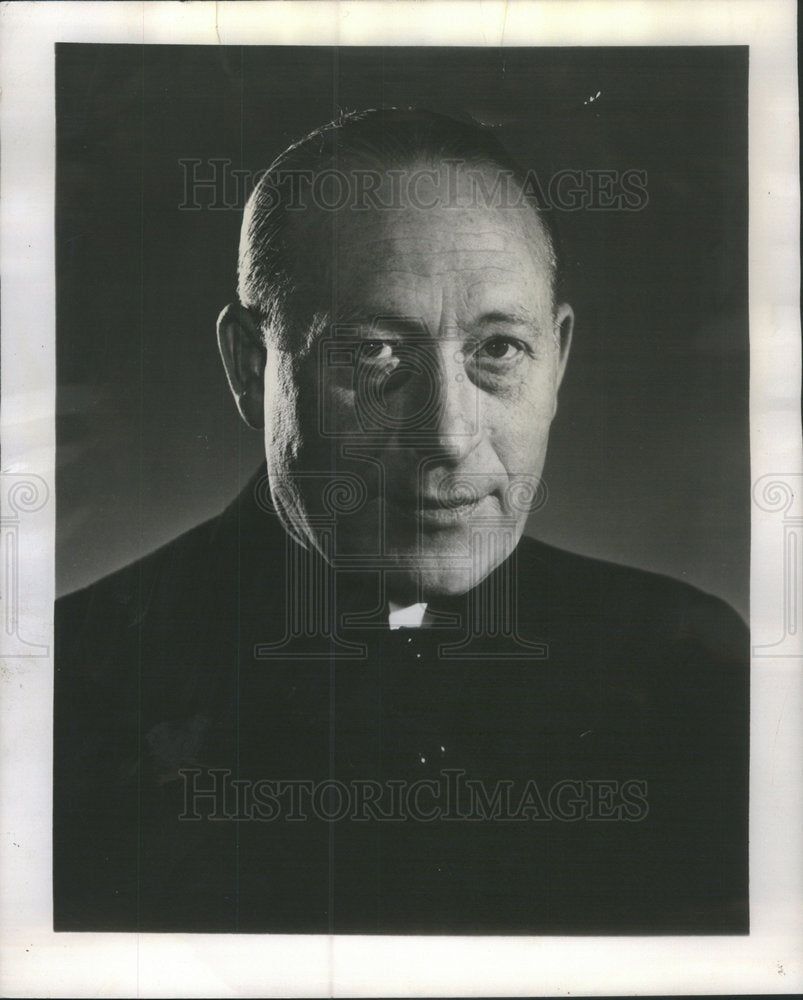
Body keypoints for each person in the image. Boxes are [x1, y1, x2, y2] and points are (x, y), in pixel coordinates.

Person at [54, 108, 749, 934]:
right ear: (251, 366)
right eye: (374, 353)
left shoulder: (685, 670)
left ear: (557, 359)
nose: (448, 438)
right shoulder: (72, 688)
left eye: (497, 350)